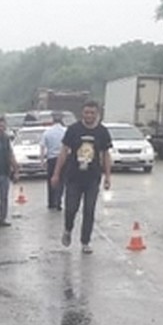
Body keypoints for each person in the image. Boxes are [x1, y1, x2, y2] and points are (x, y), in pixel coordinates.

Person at [51, 100, 112, 253]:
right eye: (86, 112)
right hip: (73, 177)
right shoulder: (73, 130)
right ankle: (68, 229)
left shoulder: (102, 132)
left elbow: (105, 155)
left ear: (97, 114)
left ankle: (85, 242)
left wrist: (108, 177)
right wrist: (56, 174)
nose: (89, 115)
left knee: (89, 210)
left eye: (92, 113)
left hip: (92, 177)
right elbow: (64, 152)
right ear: (82, 114)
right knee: (71, 208)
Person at [39, 112, 67, 211]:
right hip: (64, 159)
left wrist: (42, 161)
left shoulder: (47, 132)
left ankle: (51, 202)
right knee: (62, 180)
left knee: (51, 181)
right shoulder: (65, 131)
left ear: (52, 121)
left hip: (51, 159)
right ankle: (58, 200)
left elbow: (42, 147)